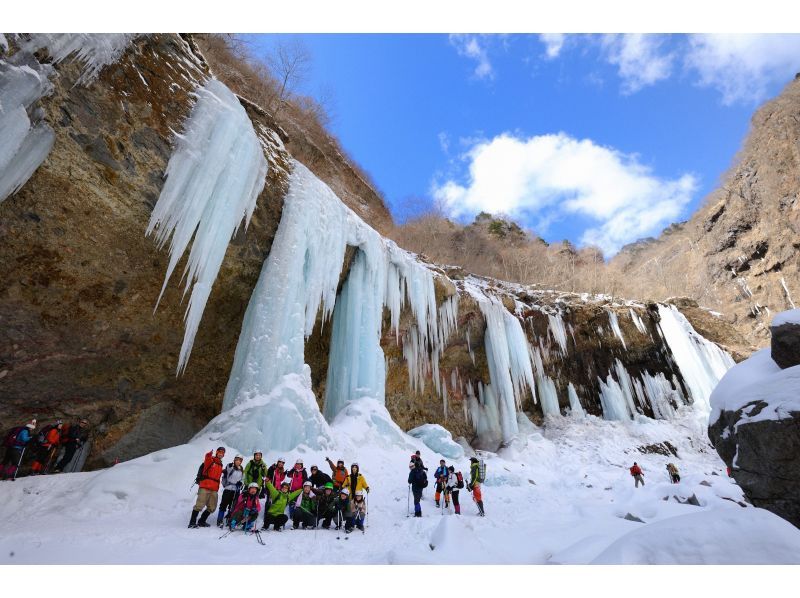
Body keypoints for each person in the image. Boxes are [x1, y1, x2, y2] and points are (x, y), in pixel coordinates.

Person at [189, 447, 225, 528]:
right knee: (199, 505)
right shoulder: (211, 460)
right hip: (205, 486)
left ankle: (202, 521)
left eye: (222, 453)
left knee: (212, 507)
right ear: (217, 452)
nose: (221, 454)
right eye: (220, 452)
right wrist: (209, 454)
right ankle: (192, 523)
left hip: (214, 489)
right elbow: (207, 458)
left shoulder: (220, 464)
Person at [217, 455, 244, 528]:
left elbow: (242, 478)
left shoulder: (241, 469)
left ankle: (229, 519)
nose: (238, 461)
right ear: (234, 460)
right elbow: (227, 471)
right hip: (228, 488)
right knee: (224, 504)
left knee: (233, 505)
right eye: (237, 460)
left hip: (236, 489)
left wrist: (241, 483)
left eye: (240, 460)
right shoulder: (230, 466)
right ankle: (219, 520)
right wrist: (231, 465)